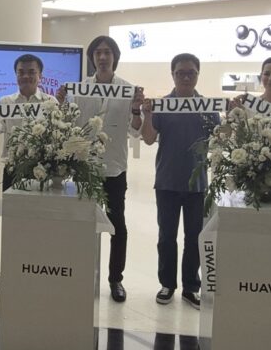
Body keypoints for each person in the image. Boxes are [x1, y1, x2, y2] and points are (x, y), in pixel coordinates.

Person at [57, 35, 144, 303]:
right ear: (92, 58)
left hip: (115, 167)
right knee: (83, 223)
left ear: (115, 57)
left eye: (107, 52)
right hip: (85, 167)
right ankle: (83, 273)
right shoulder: (80, 88)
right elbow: (68, 122)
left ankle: (115, 279)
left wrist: (137, 109)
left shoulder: (128, 90)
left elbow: (136, 131)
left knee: (117, 225)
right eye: (98, 53)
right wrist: (61, 102)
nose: (103, 57)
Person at [140, 53, 219, 309]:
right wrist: (147, 115)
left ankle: (190, 287)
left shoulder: (207, 107)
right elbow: (148, 139)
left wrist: (234, 118)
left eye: (191, 73)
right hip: (167, 182)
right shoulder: (163, 106)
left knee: (194, 238)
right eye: (180, 73)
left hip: (197, 185)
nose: (186, 77)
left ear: (197, 75)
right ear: (172, 75)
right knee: (166, 237)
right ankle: (167, 284)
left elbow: (220, 140)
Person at [0, 53, 57, 290]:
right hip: (13, 170)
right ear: (16, 75)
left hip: (42, 171)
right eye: (21, 72)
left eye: (31, 72)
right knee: (12, 223)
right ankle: (9, 269)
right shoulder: (6, 102)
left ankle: (37, 268)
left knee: (40, 222)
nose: (26, 76)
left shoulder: (50, 103)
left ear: (40, 75)